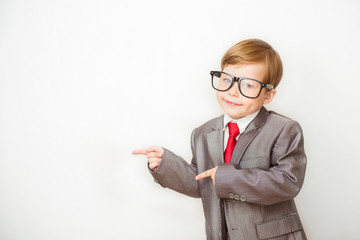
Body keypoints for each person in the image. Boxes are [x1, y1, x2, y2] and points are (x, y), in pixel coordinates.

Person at [132, 39, 307, 240]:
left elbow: (287, 183)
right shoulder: (203, 133)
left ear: (268, 96)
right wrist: (166, 165)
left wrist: (227, 177)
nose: (232, 91)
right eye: (226, 80)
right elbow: (202, 182)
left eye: (248, 85)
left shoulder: (283, 129)